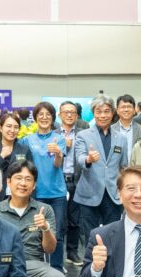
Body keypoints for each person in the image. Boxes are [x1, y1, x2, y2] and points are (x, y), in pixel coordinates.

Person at [0, 160, 67, 277]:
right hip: (3, 263)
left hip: (33, 265)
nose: (23, 183)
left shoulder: (44, 210)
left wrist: (45, 228)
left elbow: (50, 249)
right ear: (8, 181)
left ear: (34, 185)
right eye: (18, 178)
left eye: (28, 179)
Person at [74, 94, 129, 249]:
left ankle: (111, 268)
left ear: (112, 113)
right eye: (99, 111)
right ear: (94, 113)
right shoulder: (83, 136)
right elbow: (80, 158)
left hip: (113, 195)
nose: (103, 115)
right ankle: (91, 268)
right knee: (90, 236)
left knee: (112, 235)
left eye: (106, 111)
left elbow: (124, 166)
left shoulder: (121, 138)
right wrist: (89, 159)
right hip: (89, 193)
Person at [22, 102, 68, 271]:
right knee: (35, 231)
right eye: (40, 114)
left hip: (56, 192)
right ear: (35, 118)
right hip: (36, 192)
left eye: (48, 114)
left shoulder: (59, 139)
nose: (44, 117)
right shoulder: (27, 140)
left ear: (52, 118)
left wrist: (58, 153)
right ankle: (38, 265)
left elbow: (57, 165)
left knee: (56, 231)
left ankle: (56, 266)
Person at [57, 101, 84, 264]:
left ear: (77, 115)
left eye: (72, 112)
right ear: (60, 114)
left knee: (75, 219)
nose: (69, 115)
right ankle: (57, 256)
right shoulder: (53, 134)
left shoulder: (83, 134)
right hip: (58, 181)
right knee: (59, 221)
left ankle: (72, 252)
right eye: (65, 112)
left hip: (78, 181)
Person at [0, 112, 30, 197]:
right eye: (8, 126)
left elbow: (30, 174)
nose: (12, 130)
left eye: (16, 127)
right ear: (0, 128)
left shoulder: (25, 149)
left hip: (19, 196)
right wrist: (1, 156)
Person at [113, 94, 141, 164]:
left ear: (134, 110)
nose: (126, 109)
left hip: (137, 171)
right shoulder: (110, 130)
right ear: (117, 110)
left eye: (129, 107)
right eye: (123, 107)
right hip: (116, 172)